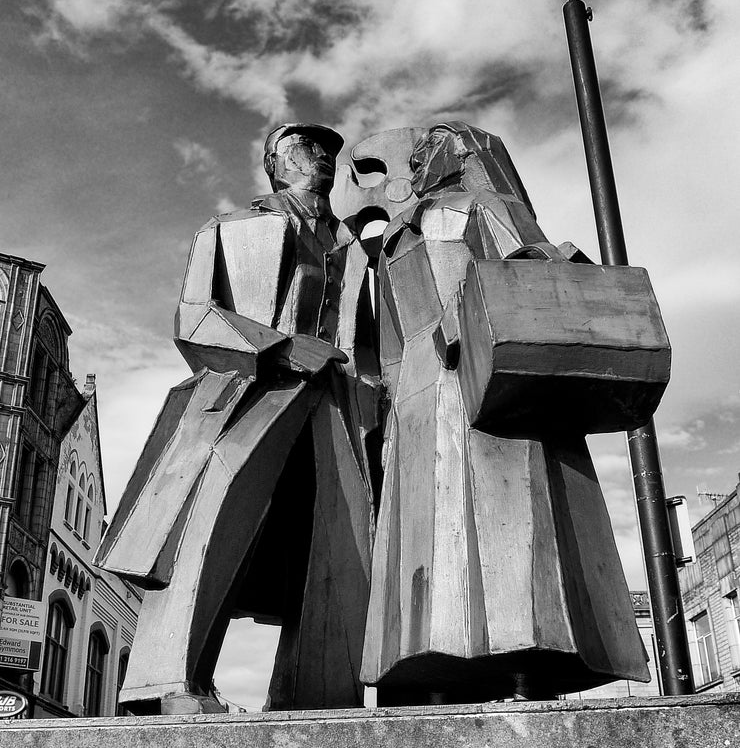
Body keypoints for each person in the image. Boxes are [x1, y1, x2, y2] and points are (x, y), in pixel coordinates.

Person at [360, 120, 655, 703]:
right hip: (419, 400)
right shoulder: (395, 237)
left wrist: (554, 262)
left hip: (485, 376)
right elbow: (387, 337)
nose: (417, 162)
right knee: (429, 530)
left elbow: (527, 263)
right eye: (415, 155)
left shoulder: (483, 204)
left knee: (515, 513)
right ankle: (430, 658)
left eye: (431, 148)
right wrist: (389, 405)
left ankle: (526, 656)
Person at [98, 124, 380, 713]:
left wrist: (373, 398)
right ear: (274, 166)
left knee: (337, 542)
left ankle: (318, 692)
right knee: (210, 529)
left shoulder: (355, 250)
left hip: (334, 409)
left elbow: (371, 347)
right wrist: (279, 347)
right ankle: (168, 682)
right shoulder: (230, 229)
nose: (321, 156)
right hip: (249, 395)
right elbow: (195, 319)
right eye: (304, 148)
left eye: (328, 149)